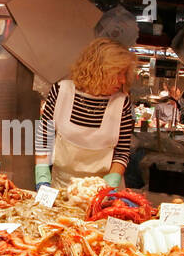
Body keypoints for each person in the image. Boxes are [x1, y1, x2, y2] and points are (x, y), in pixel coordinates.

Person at [34, 38, 136, 189]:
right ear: (98, 70)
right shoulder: (61, 91)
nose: (122, 80)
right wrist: (42, 176)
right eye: (118, 73)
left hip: (102, 189)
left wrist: (111, 184)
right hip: (62, 185)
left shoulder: (122, 104)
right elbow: (44, 138)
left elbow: (122, 152)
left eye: (125, 74)